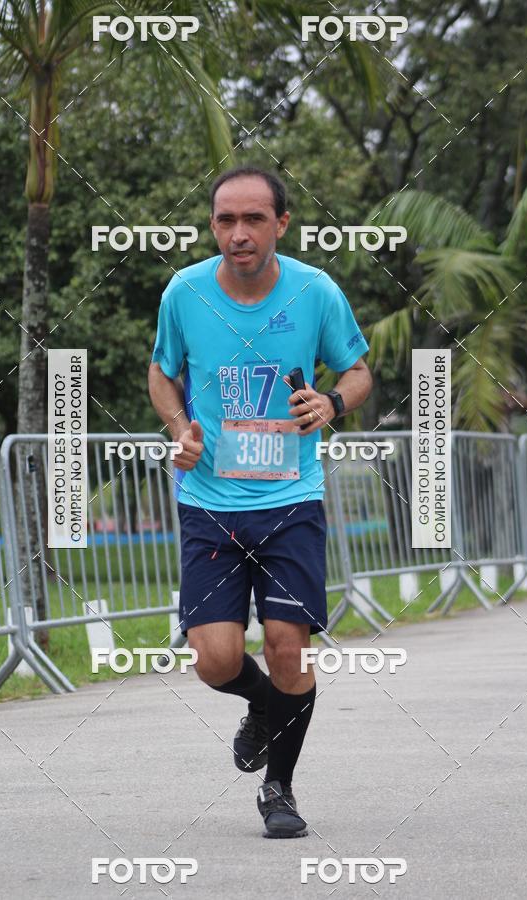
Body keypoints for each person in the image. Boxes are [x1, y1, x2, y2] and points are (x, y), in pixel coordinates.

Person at [148, 165, 372, 838]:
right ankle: (265, 706)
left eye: (252, 220)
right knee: (214, 659)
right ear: (213, 225)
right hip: (210, 501)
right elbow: (162, 373)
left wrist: (331, 401)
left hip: (291, 500)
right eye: (225, 220)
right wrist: (179, 429)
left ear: (281, 223)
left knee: (285, 647)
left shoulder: (316, 291)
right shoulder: (185, 292)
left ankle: (279, 788)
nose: (238, 235)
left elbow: (358, 370)